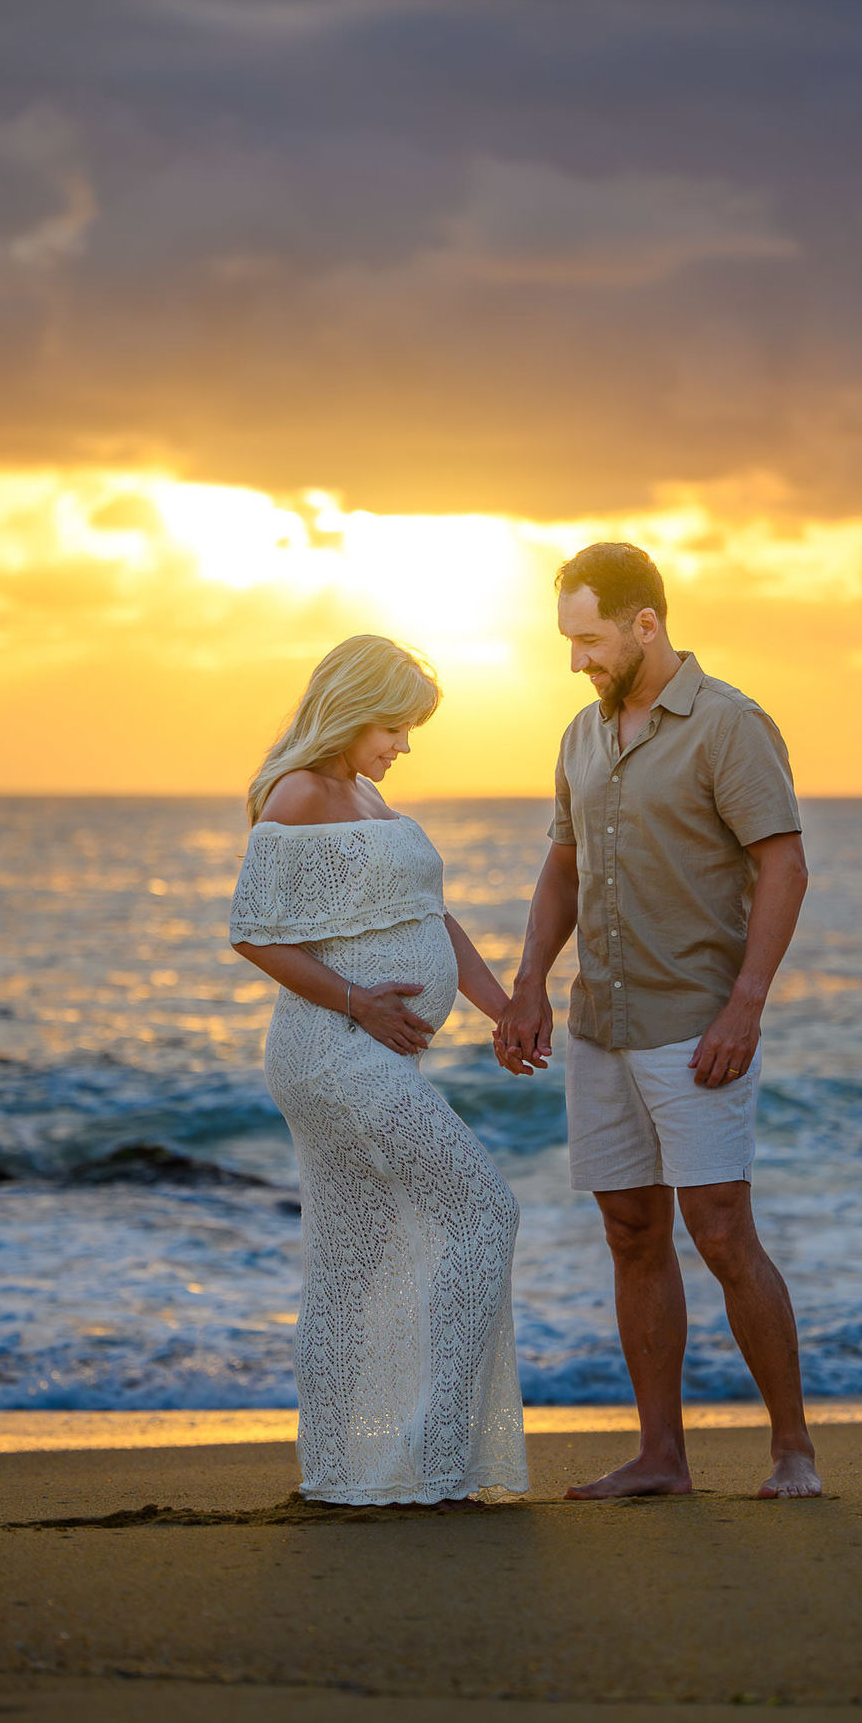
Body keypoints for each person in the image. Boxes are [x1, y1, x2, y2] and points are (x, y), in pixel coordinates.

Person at [495, 543, 821, 1501]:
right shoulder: (580, 736)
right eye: (566, 641)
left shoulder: (731, 725)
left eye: (589, 639)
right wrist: (527, 981)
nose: (575, 661)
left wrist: (746, 1006)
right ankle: (660, 1457)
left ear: (646, 624)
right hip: (601, 1023)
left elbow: (785, 865)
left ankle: (792, 1447)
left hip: (697, 1020)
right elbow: (563, 866)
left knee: (720, 1229)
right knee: (631, 1231)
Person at [230, 635, 527, 1507]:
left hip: (360, 1051)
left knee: (351, 1263)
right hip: (331, 1051)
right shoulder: (302, 792)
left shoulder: (365, 795)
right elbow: (255, 929)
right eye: (394, 727)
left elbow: (433, 917)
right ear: (354, 711)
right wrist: (359, 1000)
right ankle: (434, 1456)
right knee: (485, 1210)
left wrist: (501, 1006)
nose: (404, 746)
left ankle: (337, 1469)